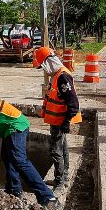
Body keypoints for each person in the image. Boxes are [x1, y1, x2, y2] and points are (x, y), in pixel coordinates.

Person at [33, 47, 81, 191]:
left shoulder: (62, 77)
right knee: (62, 147)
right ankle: (63, 177)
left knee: (56, 150)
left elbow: (73, 102)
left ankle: (60, 182)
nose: (44, 70)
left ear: (48, 63)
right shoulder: (57, 75)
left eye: (43, 67)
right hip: (58, 120)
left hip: (60, 121)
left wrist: (66, 122)